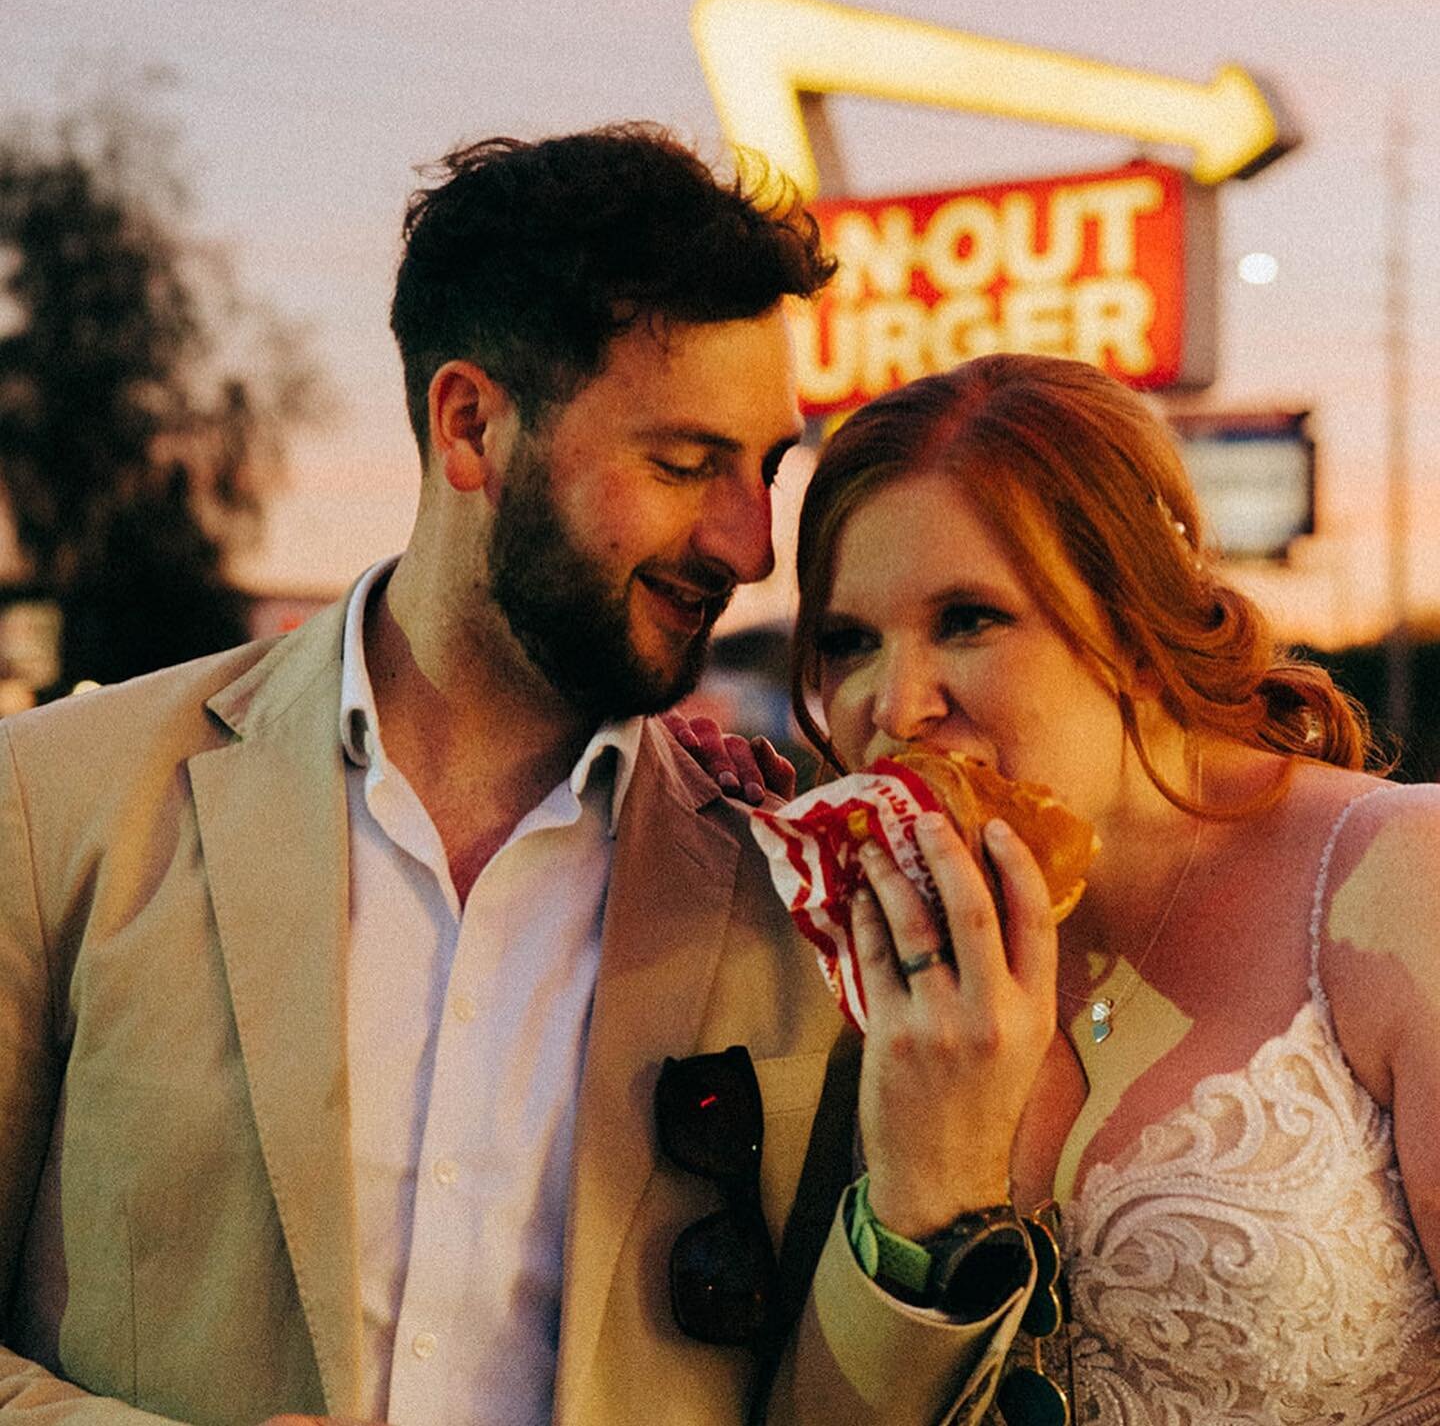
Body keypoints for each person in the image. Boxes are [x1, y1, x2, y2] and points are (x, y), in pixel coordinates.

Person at [0, 126, 1031, 1426]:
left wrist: (926, 1209)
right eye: (685, 463)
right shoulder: (57, 805)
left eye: (766, 468)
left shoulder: (801, 893)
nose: (752, 545)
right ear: (473, 425)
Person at [687, 352, 1440, 1420]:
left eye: (968, 619)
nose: (894, 704)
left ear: (1133, 629)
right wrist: (916, 1202)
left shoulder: (1401, 877)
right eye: (850, 641)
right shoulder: (848, 941)